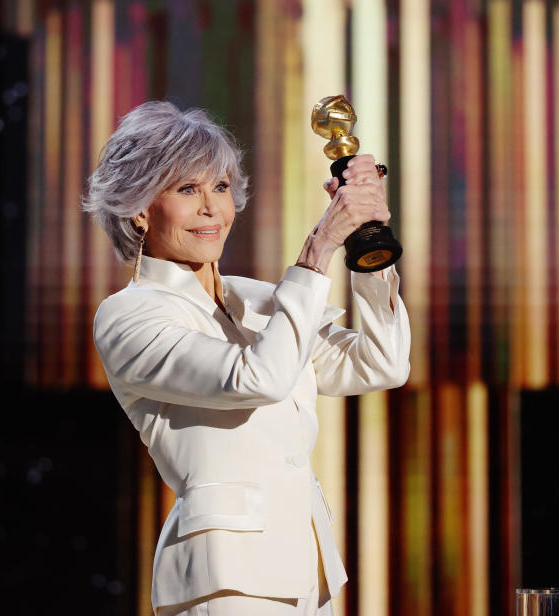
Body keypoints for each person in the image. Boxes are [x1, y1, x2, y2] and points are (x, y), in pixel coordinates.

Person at [84, 100, 410, 616]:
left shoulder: (258, 299)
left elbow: (381, 363)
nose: (211, 207)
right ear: (140, 209)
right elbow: (258, 378)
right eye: (186, 189)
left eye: (219, 187)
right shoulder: (129, 316)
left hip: (311, 574)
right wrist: (319, 246)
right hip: (226, 581)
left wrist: (365, 245)